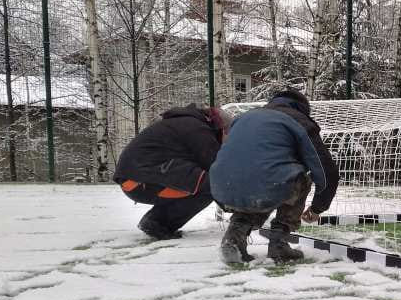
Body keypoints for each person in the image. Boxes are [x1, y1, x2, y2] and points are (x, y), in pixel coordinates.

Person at [210, 89, 339, 264]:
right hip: (266, 183)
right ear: (302, 108)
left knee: (257, 182)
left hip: (222, 186)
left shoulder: (244, 117)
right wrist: (317, 208)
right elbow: (326, 171)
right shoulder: (298, 120)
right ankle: (279, 243)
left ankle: (234, 237)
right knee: (295, 180)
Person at [113, 104, 231, 240]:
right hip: (140, 179)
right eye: (227, 135)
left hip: (136, 177)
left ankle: (156, 221)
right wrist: (240, 208)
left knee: (197, 180)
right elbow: (216, 168)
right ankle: (157, 223)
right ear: (221, 129)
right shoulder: (197, 128)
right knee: (210, 185)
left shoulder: (186, 123)